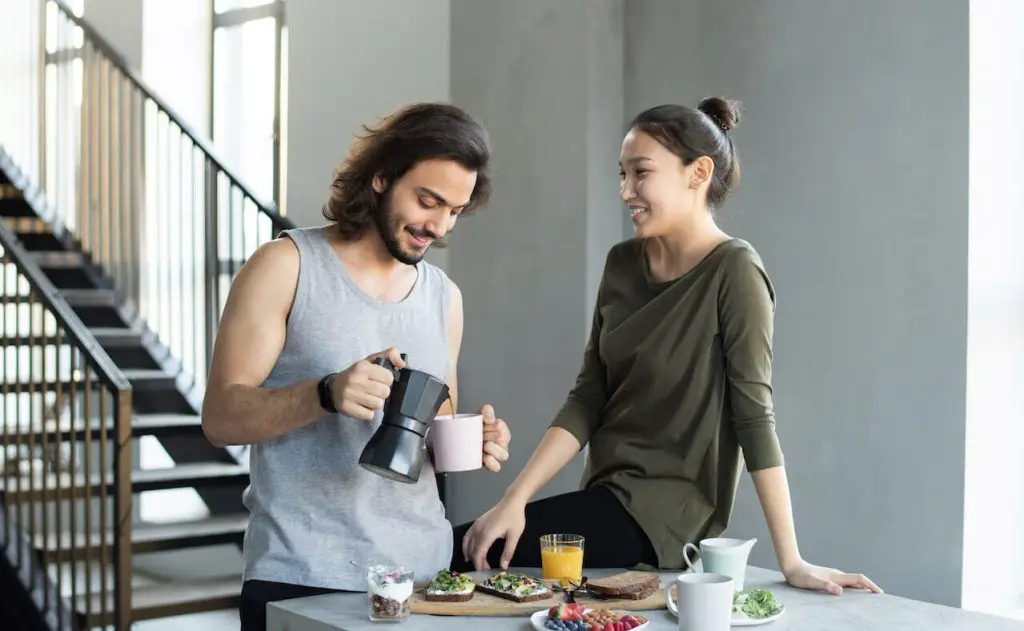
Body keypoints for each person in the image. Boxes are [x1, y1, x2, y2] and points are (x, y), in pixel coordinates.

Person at [453, 98, 881, 596]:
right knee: (473, 547)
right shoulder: (621, 265)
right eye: (622, 174)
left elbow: (754, 418)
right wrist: (515, 500)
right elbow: (588, 398)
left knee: (458, 549)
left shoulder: (734, 272)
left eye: (641, 173)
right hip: (605, 500)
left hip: (663, 522)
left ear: (698, 172)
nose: (625, 191)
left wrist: (792, 560)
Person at [201, 102, 512, 631]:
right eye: (427, 201)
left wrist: (476, 438)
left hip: (426, 578)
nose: (437, 226)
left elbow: (435, 428)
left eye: (455, 211)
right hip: (303, 576)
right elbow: (221, 417)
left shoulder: (444, 297)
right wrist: (323, 394)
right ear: (381, 176)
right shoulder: (286, 266)